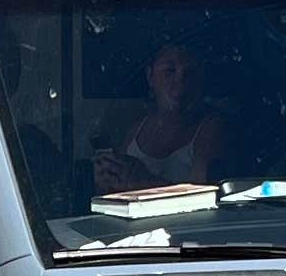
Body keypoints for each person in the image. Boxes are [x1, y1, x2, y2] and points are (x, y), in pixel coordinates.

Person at [97, 38, 231, 193]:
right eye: (169, 71)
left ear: (201, 80)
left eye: (190, 73)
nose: (179, 82)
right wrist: (106, 178)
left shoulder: (212, 129)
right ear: (150, 76)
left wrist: (145, 182)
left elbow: (205, 197)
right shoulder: (136, 130)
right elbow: (116, 188)